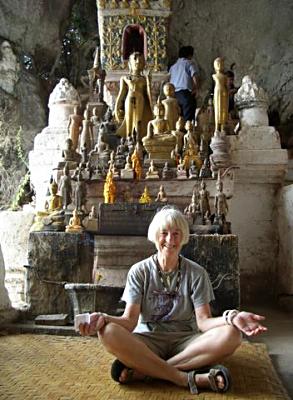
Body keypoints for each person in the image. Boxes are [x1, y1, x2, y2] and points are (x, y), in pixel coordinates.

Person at [78, 207, 267, 395]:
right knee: (108, 332)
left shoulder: (196, 273)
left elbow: (203, 322)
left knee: (232, 335)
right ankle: (185, 378)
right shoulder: (139, 271)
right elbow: (129, 322)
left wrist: (231, 318)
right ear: (155, 236)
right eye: (164, 233)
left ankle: (147, 371)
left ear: (183, 237)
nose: (170, 240)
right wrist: (103, 318)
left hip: (187, 341)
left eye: (176, 234)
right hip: (148, 341)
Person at [114, 52, 153, 139]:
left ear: (143, 64)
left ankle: (138, 137)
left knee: (138, 119)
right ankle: (128, 137)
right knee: (129, 117)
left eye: (140, 62)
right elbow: (121, 94)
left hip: (140, 98)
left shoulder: (144, 79)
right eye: (135, 62)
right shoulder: (125, 78)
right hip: (129, 98)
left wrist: (148, 82)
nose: (137, 64)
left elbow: (148, 94)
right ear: (130, 63)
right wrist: (116, 108)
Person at [169, 46, 199, 122]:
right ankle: (187, 131)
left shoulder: (173, 67)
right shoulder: (189, 63)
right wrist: (196, 88)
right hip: (185, 94)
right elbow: (194, 75)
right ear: (190, 55)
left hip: (174, 95)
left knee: (178, 117)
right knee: (188, 118)